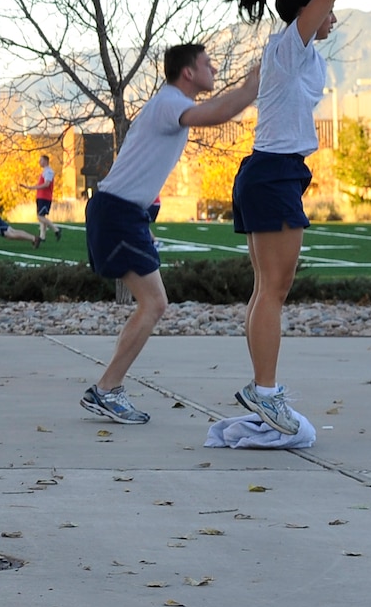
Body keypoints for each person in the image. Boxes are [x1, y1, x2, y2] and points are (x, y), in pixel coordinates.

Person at [227, 0, 371, 435]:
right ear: (305, 12)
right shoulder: (290, 44)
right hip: (271, 173)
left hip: (274, 173)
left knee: (265, 289)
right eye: (326, 9)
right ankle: (265, 392)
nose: (334, 15)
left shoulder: (299, 54)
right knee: (274, 289)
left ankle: (262, 389)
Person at [80, 44, 260, 423]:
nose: (213, 68)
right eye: (207, 64)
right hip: (116, 213)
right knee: (155, 303)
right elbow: (215, 114)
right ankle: (107, 389)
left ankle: (108, 388)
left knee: (152, 303)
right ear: (188, 73)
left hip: (124, 214)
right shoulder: (170, 103)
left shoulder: (168, 104)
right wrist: (250, 87)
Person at [31, 154, 63, 244]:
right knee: (42, 216)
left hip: (44, 197)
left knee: (40, 216)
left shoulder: (48, 172)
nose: (39, 162)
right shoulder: (45, 171)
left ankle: (56, 229)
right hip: (41, 196)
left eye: (41, 160)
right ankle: (42, 236)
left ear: (45, 161)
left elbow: (47, 184)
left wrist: (33, 187)